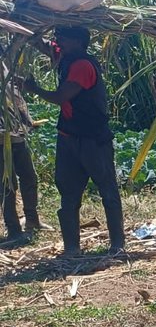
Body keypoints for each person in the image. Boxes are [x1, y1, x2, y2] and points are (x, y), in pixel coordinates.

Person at [22, 26, 125, 258]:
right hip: (68, 138)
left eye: (63, 39)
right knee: (68, 192)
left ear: (78, 42)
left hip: (92, 140)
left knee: (107, 190)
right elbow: (43, 46)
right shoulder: (66, 56)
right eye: (57, 39)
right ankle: (71, 248)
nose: (58, 43)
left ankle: (118, 244)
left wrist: (34, 88)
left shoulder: (82, 65)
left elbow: (61, 97)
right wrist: (25, 30)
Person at [1, 65, 41, 246]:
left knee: (29, 177)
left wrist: (26, 120)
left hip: (16, 134)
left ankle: (32, 219)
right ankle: (14, 230)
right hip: (2, 139)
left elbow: (15, 97)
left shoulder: (4, 66)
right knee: (8, 185)